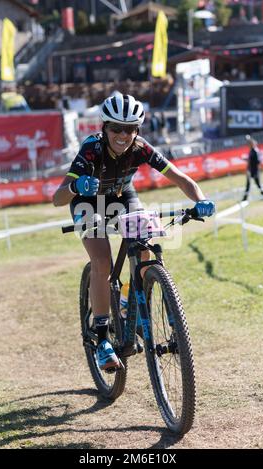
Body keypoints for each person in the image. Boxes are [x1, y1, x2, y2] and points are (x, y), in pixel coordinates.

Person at [53, 93, 215, 371]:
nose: (122, 135)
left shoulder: (141, 148)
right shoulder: (91, 149)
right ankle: (103, 338)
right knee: (101, 260)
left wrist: (199, 199)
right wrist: (76, 187)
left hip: (121, 195)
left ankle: (129, 299)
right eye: (116, 128)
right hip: (87, 199)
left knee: (144, 245)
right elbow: (58, 197)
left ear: (137, 130)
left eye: (129, 129)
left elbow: (180, 178)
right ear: (104, 127)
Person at [242, 135, 263, 201]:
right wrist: (246, 159)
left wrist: (256, 172)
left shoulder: (255, 151)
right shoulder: (251, 151)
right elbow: (250, 160)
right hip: (250, 170)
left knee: (258, 184)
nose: (248, 145)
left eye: (249, 144)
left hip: (254, 171)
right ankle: (244, 198)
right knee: (248, 185)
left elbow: (258, 162)